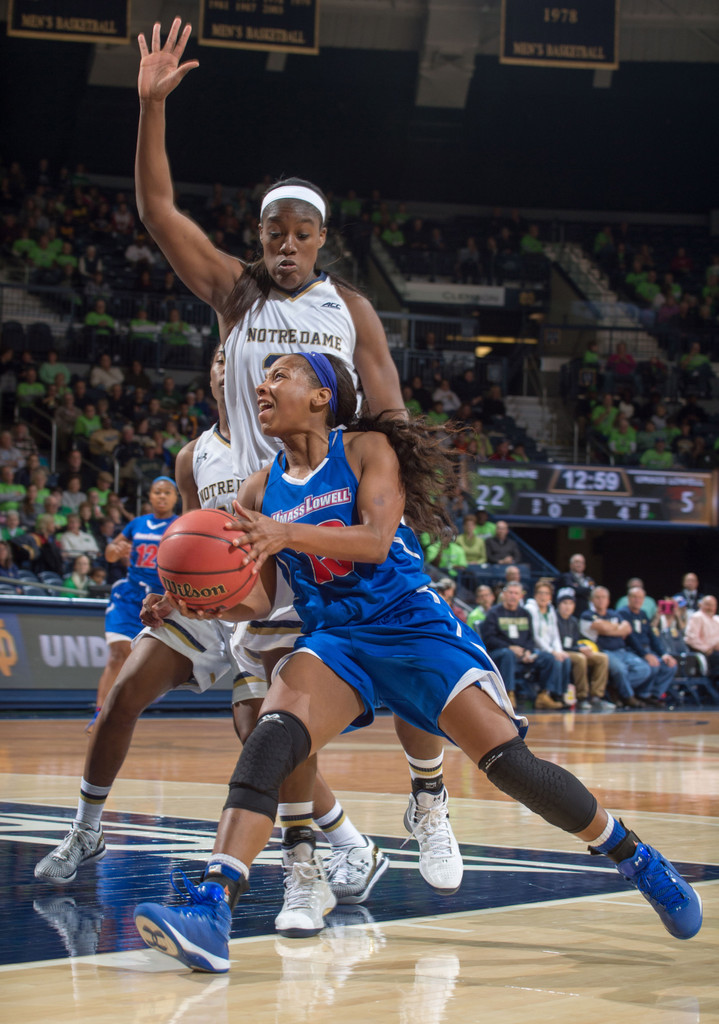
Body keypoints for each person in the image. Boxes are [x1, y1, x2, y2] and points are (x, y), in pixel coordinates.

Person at [132, 351, 702, 973]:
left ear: (321, 395)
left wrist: (283, 532)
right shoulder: (257, 488)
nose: (262, 385)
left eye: (280, 374)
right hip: (337, 639)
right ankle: (213, 907)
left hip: (412, 625)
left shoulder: (365, 449)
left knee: (510, 766)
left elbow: (376, 542)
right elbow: (265, 596)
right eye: (262, 377)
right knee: (271, 739)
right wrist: (201, 600)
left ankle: (635, 856)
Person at [132, 17, 462, 911]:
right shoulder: (233, 290)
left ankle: (426, 795)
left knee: (396, 651)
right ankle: (319, 856)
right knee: (261, 715)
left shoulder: (351, 309)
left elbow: (388, 412)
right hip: (251, 518)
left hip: (330, 509)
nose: (284, 242)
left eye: (300, 231)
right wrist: (151, 109)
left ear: (321, 240)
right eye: (273, 229)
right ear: (262, 235)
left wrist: (392, 503)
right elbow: (159, 214)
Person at [34, 348, 387, 930]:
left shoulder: (283, 437)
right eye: (220, 357)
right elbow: (193, 538)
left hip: (269, 597)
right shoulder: (191, 456)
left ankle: (329, 848)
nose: (232, 365)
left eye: (240, 355)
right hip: (207, 600)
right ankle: (86, 828)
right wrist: (170, 590)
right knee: (122, 697)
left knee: (266, 737)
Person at [85, 476, 179, 732]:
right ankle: (99, 714)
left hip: (162, 598)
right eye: (157, 492)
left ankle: (149, 690)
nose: (161, 496)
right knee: (118, 653)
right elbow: (111, 552)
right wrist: (115, 552)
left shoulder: (180, 525)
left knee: (149, 660)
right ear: (149, 496)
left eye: (167, 492)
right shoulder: (136, 524)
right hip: (129, 595)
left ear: (175, 498)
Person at [480, 581, 565, 711]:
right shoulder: (494, 613)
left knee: (549, 658)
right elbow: (489, 638)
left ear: (521, 596)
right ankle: (509, 695)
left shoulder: (525, 614)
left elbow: (530, 638)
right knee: (507, 654)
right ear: (504, 594)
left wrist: (527, 652)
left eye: (516, 593)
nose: (513, 596)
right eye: (510, 593)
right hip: (500, 654)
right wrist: (510, 647)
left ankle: (544, 696)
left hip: (522, 655)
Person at [580, 586, 651, 709]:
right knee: (620, 670)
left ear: (608, 600)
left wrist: (608, 628)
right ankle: (629, 697)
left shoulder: (614, 613)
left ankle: (614, 687)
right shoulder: (587, 615)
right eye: (597, 597)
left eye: (604, 597)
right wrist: (617, 628)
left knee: (645, 668)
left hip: (622, 651)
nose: (601, 600)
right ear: (592, 600)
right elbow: (602, 628)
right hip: (605, 651)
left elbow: (627, 629)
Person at [554, 589, 613, 712]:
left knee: (602, 657)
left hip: (574, 649)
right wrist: (579, 649)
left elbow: (576, 641)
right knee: (580, 659)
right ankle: (582, 697)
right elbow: (557, 643)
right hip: (560, 651)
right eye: (564, 603)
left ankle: (597, 696)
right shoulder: (554, 619)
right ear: (558, 604)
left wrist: (583, 647)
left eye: (570, 603)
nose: (567, 606)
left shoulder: (574, 621)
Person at [618, 586, 677, 706]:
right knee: (652, 666)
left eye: (640, 597)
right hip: (631, 650)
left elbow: (652, 637)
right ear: (628, 598)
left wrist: (664, 654)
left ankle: (654, 695)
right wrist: (645, 655)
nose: (637, 600)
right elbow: (631, 638)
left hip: (647, 649)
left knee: (670, 666)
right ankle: (641, 694)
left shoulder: (643, 614)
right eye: (634, 597)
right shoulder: (622, 613)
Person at [684, 595, 719, 681]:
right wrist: (707, 649)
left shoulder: (717, 619)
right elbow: (691, 638)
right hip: (705, 652)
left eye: (713, 605)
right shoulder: (697, 617)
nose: (710, 608)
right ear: (700, 605)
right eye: (707, 604)